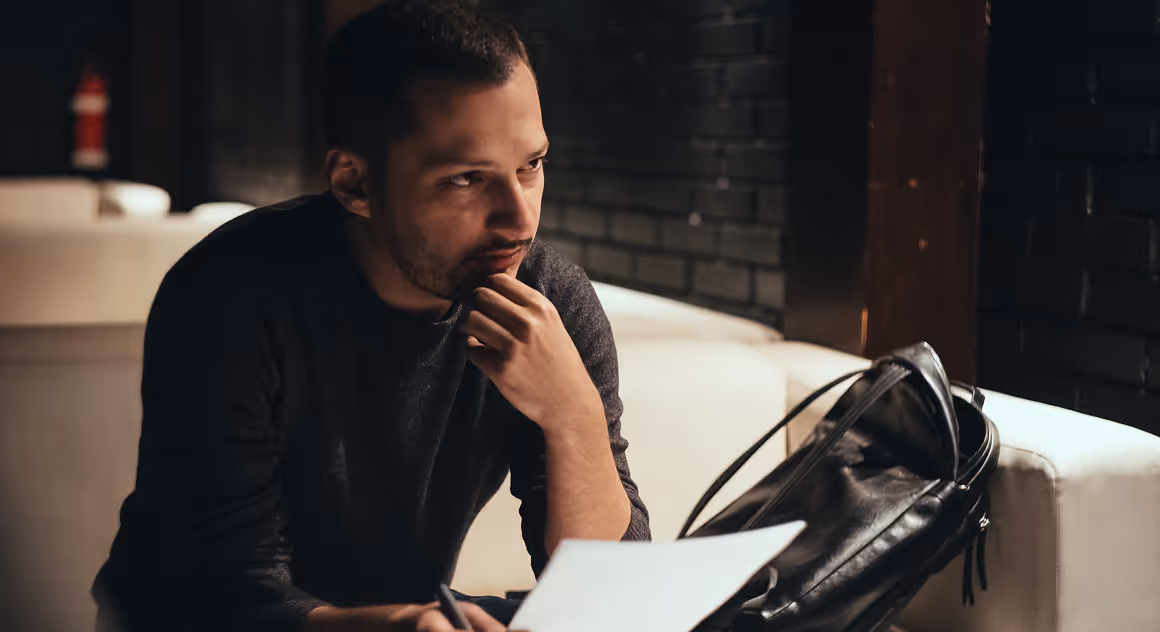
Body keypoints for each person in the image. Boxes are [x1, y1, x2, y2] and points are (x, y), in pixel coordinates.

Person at [90, 1, 651, 630]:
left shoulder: (548, 298)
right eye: (467, 179)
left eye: (531, 166)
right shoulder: (228, 296)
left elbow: (609, 585)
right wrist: (402, 624)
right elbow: (227, 591)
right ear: (355, 183)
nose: (520, 219)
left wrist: (573, 417)